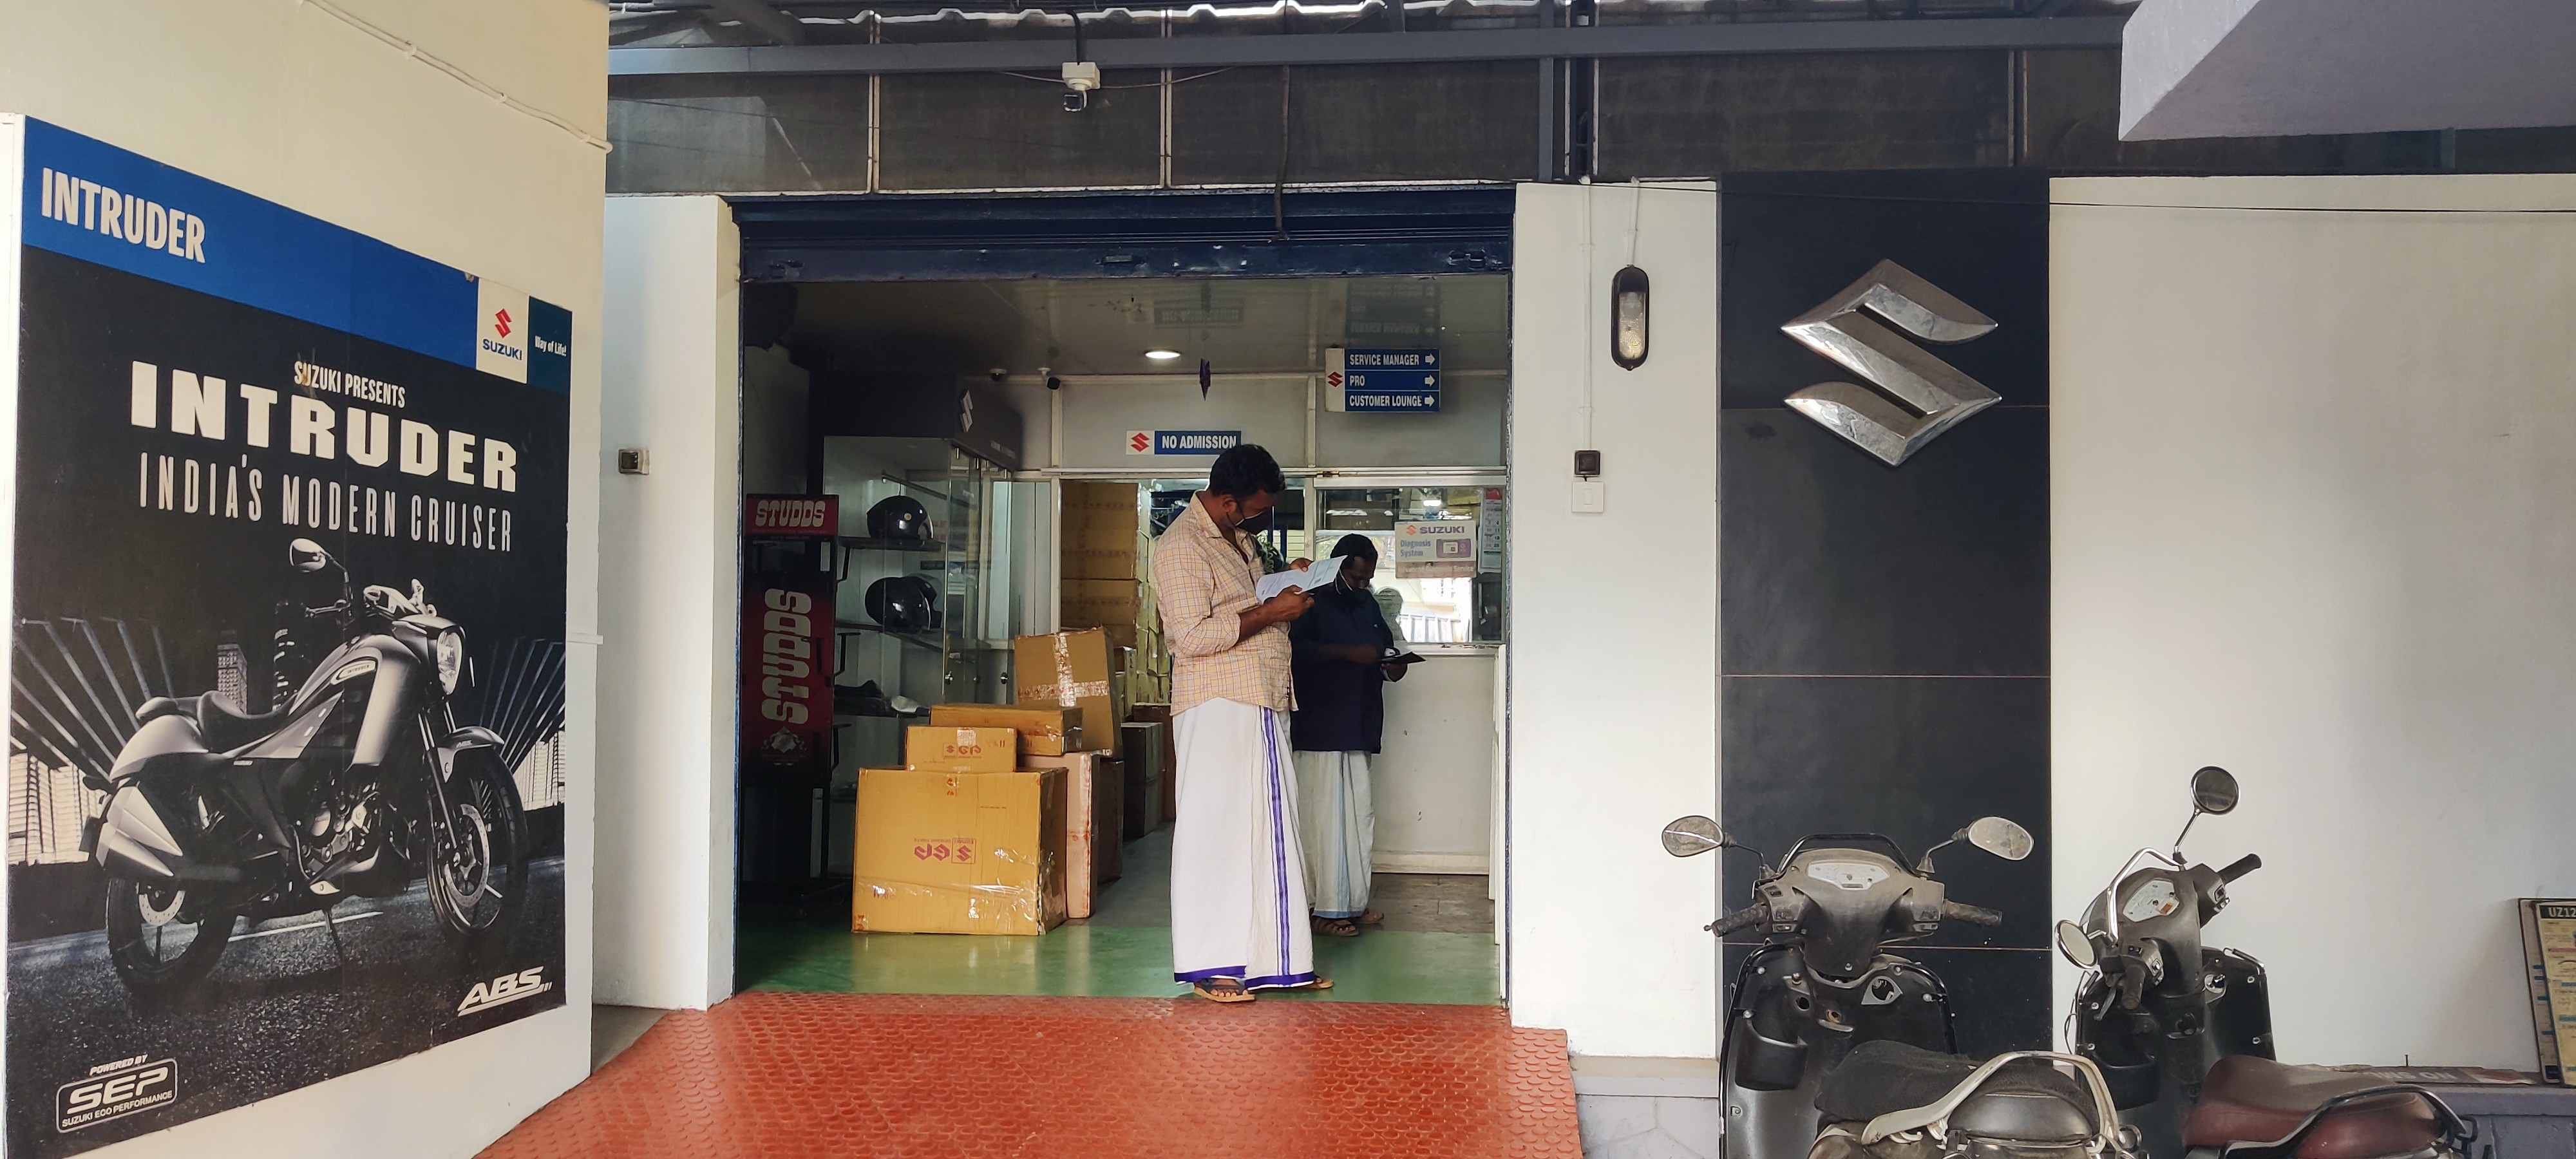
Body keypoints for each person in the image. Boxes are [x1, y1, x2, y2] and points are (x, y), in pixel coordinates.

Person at [1148, 444, 1332, 1004]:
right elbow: (1193, 637)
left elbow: (1235, 601)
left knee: (1267, 829)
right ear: (1227, 500)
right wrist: (1274, 612)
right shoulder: (1180, 547)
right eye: (1252, 510)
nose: (1257, 519)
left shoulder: (1238, 539)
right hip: (1218, 702)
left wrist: (1280, 583)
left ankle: (1277, 960)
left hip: (1259, 696)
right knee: (1216, 832)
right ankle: (1212, 963)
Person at [1287, 535, 1410, 938]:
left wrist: (1391, 665)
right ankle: (1323, 907)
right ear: (1338, 566)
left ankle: (1352, 902)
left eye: (1368, 579)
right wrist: (1345, 653)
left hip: (1358, 721)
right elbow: (1293, 651)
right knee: (1323, 819)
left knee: (1359, 817)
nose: (1363, 585)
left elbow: (1384, 648)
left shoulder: (1368, 603)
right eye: (1357, 578)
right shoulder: (1308, 598)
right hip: (1320, 725)